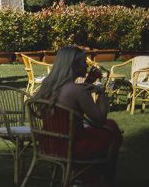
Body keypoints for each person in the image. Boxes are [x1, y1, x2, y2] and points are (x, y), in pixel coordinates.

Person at [33, 46, 124, 185]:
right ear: (73, 65)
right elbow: (99, 119)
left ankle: (84, 175)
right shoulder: (75, 90)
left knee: (109, 127)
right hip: (71, 146)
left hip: (49, 143)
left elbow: (62, 106)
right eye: (83, 62)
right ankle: (100, 177)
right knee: (112, 128)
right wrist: (101, 93)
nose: (86, 65)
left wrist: (87, 83)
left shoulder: (49, 85)